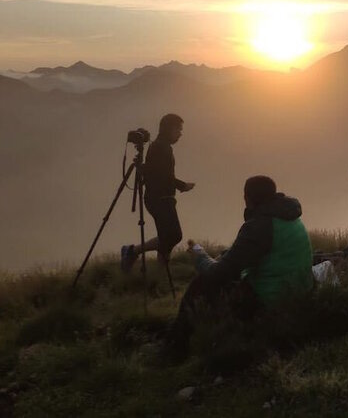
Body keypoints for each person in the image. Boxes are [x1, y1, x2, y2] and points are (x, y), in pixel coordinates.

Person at [168, 175, 313, 354]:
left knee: (201, 285)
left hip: (271, 298)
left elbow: (218, 274)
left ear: (248, 198)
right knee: (227, 271)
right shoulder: (287, 215)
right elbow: (256, 253)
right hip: (299, 291)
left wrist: (200, 256)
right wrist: (227, 256)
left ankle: (175, 348)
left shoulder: (260, 225)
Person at [121, 113, 195, 272]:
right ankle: (133, 251)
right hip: (160, 199)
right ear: (169, 129)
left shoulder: (159, 146)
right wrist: (183, 186)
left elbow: (156, 172)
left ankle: (160, 272)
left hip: (160, 198)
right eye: (178, 129)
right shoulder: (162, 148)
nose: (180, 134)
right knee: (173, 235)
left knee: (167, 236)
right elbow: (163, 175)